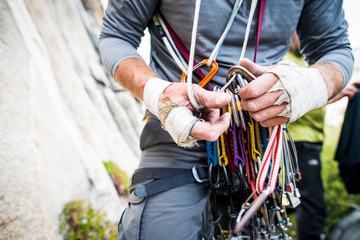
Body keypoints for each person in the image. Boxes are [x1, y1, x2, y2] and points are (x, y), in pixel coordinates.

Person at [99, 0, 354, 239]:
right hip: (176, 137)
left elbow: (335, 51)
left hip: (261, 155)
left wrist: (308, 86)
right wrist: (158, 94)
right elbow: (116, 35)